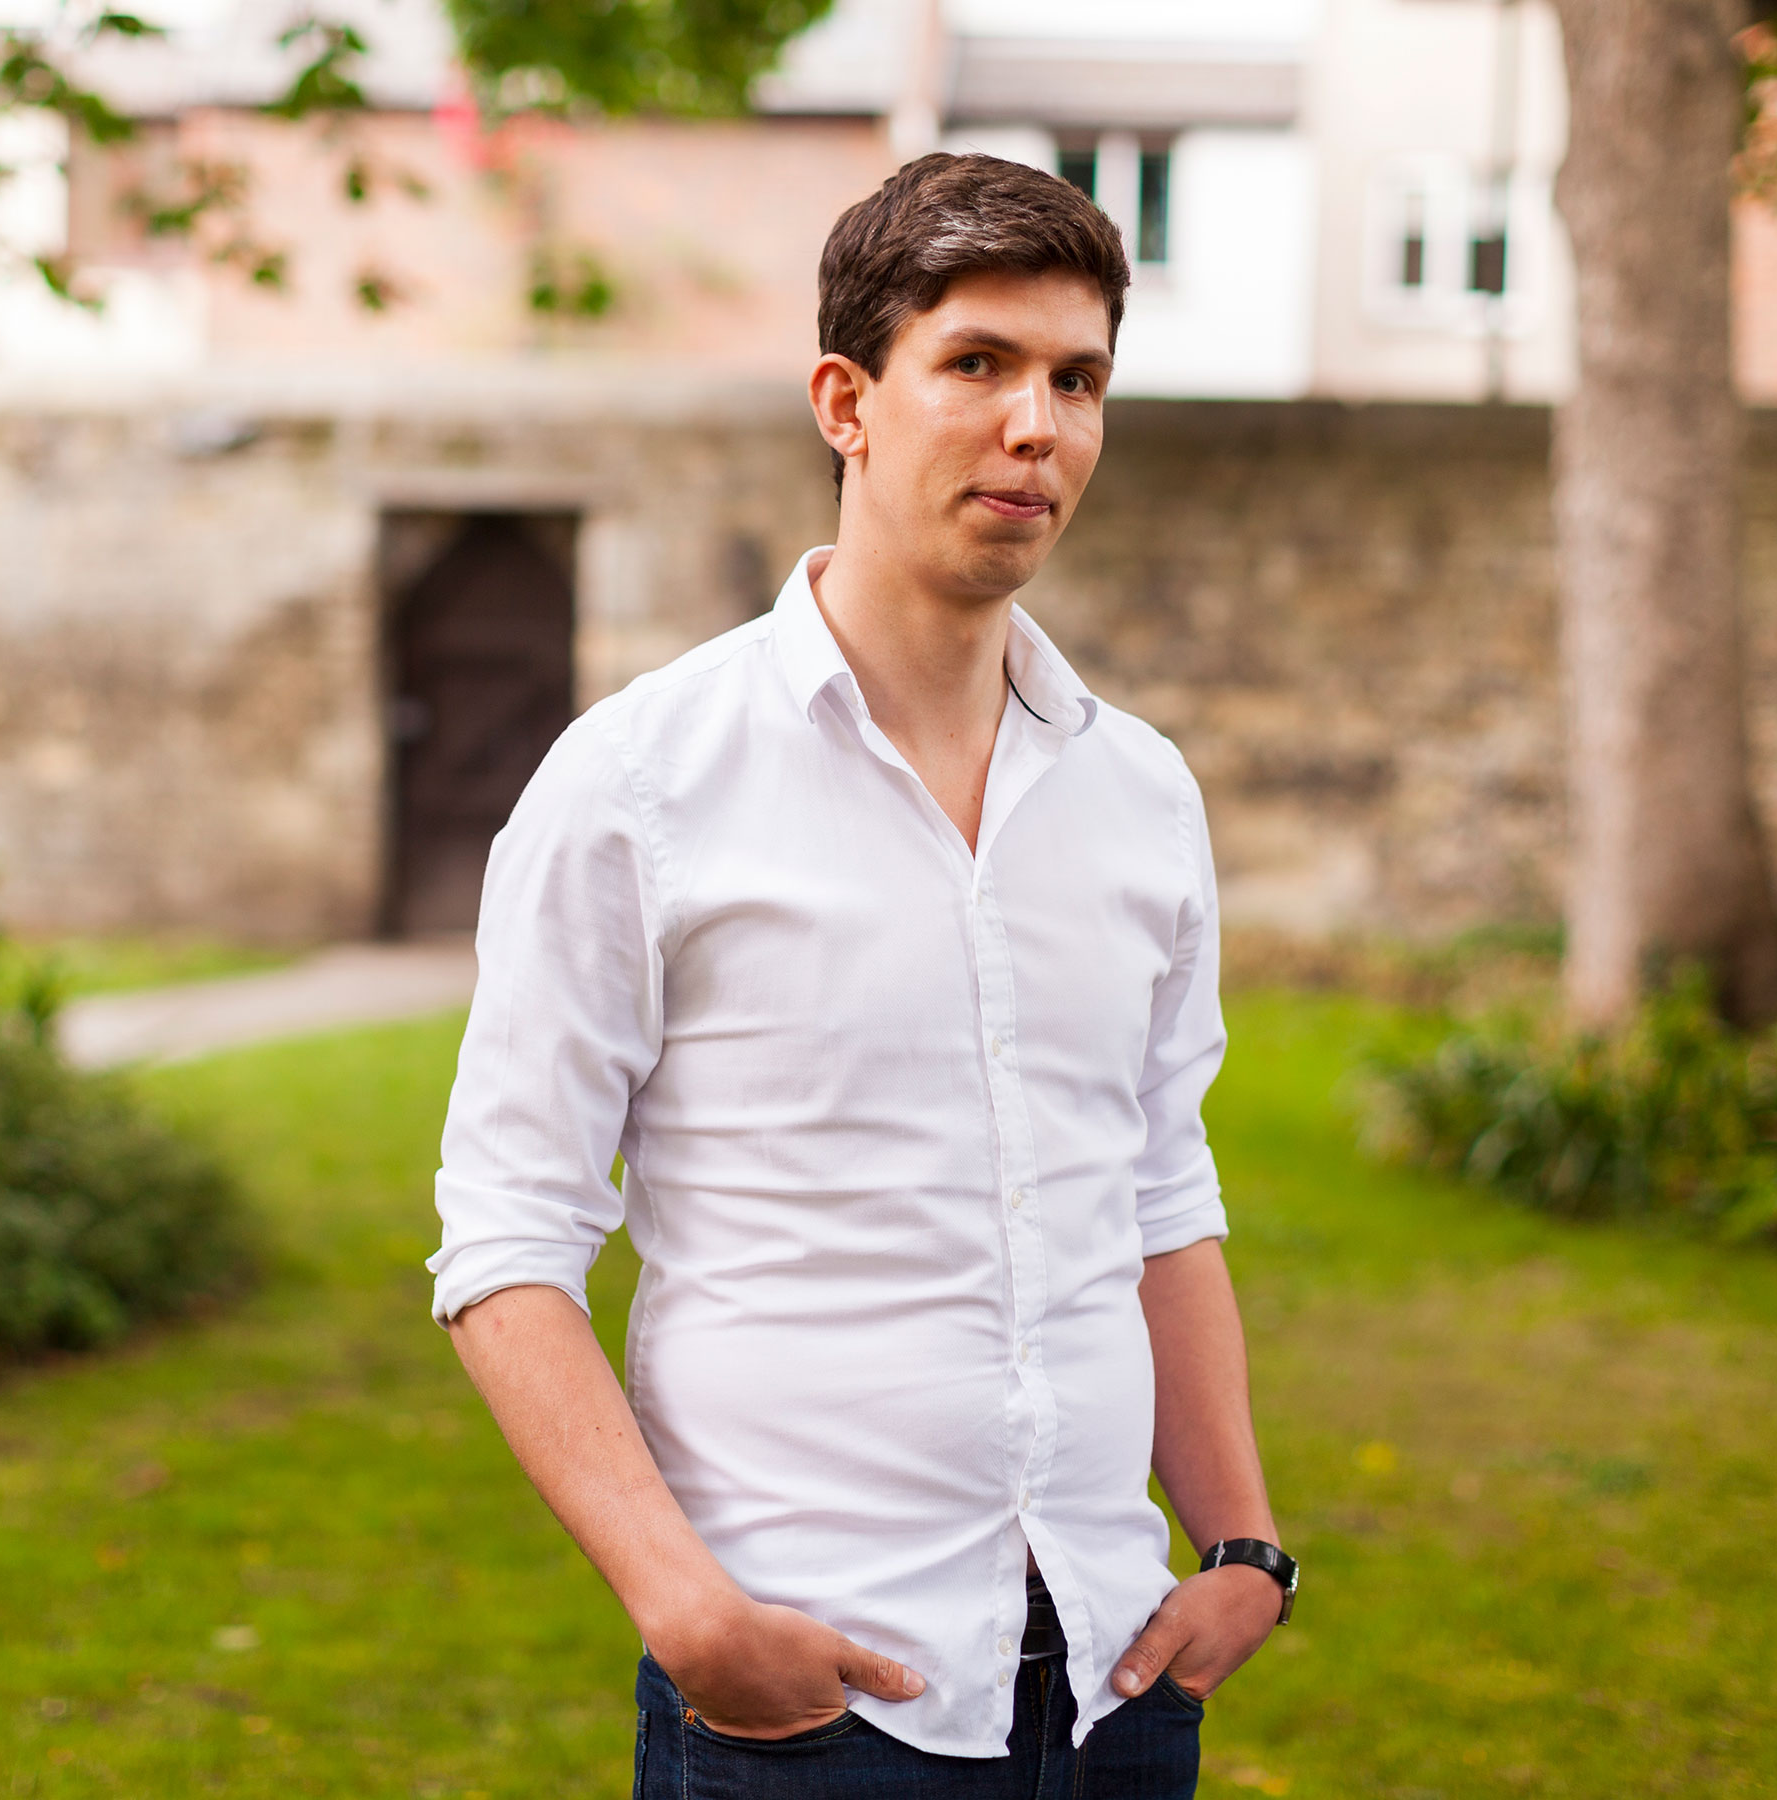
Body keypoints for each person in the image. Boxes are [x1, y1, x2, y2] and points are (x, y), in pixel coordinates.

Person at [428, 152, 1293, 1799]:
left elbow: (1159, 1187)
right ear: (847, 399)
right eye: (977, 365)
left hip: (1118, 1680)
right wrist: (690, 1616)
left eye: (1078, 380)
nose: (1037, 425)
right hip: (813, 1700)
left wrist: (1245, 1544)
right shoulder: (640, 784)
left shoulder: (1141, 794)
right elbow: (507, 1233)